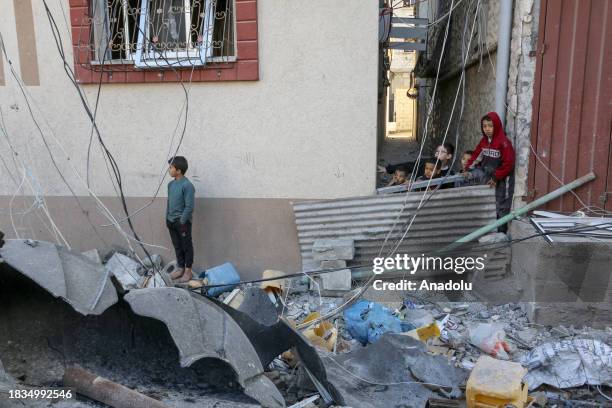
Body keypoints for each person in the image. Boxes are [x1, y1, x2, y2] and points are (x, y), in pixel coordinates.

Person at [464, 112, 515, 233]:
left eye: (490, 126)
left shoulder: (503, 143)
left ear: (496, 126)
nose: (487, 129)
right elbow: (476, 155)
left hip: (502, 181)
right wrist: (467, 168)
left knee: (502, 206)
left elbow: (508, 164)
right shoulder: (484, 142)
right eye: (484, 126)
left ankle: (501, 233)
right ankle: (492, 231)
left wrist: (497, 178)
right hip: (489, 179)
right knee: (490, 203)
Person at [166, 156, 195, 282]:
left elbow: (189, 207)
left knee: (186, 246)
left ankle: (188, 271)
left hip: (182, 222)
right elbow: (169, 202)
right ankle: (180, 269)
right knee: (177, 245)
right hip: (171, 221)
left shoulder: (187, 185)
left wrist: (182, 221)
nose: (169, 169)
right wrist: (167, 218)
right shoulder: (170, 184)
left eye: (171, 167)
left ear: (178, 170)